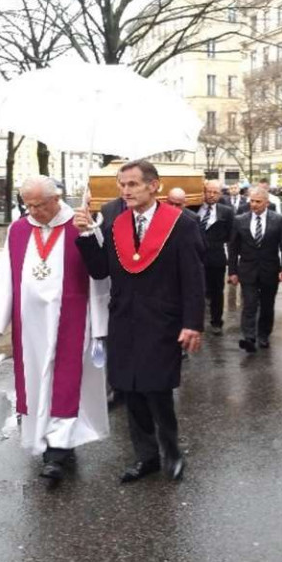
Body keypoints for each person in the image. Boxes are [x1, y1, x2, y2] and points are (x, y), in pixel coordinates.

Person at [74, 160, 205, 483]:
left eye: (132, 184)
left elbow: (193, 277)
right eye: (122, 185)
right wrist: (88, 234)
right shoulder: (115, 224)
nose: (125, 190)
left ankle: (171, 451)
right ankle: (145, 457)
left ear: (153, 185)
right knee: (130, 391)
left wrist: (193, 323)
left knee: (157, 391)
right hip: (124, 320)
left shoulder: (182, 223)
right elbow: (100, 271)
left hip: (163, 321)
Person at [0, 177, 109, 484]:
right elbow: (4, 276)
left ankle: (57, 454)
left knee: (65, 382)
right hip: (31, 324)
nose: (33, 211)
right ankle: (52, 440)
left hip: (73, 318)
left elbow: (101, 274)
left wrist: (90, 233)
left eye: (39, 205)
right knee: (37, 382)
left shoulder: (81, 224)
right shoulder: (19, 230)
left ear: (56, 199)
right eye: (28, 205)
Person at [228, 187, 282, 352]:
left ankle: (263, 335)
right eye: (252, 201)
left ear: (266, 203)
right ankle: (249, 337)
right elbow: (233, 248)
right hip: (247, 270)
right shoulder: (239, 220)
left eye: (258, 201)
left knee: (267, 305)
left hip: (269, 270)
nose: (254, 205)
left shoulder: (278, 220)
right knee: (249, 303)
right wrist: (232, 272)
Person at [197, 180, 234, 335]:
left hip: (216, 257)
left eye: (215, 192)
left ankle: (216, 322)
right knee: (196, 292)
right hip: (196, 258)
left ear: (220, 194)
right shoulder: (195, 209)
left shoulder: (226, 211)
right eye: (208, 191)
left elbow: (231, 236)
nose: (211, 195)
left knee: (217, 292)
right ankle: (196, 323)